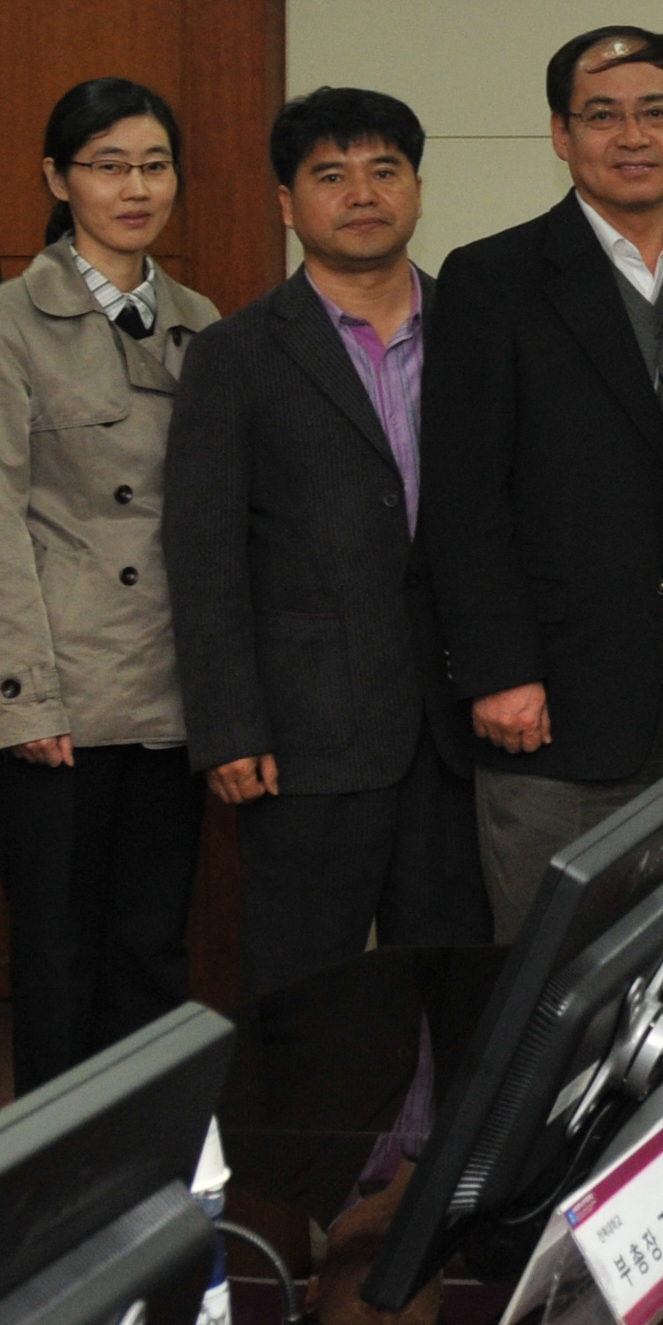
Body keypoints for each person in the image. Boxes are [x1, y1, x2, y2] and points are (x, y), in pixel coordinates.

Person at [424, 26, 663, 939]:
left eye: (656, 112)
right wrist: (499, 670)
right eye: (602, 116)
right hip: (552, 707)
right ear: (561, 136)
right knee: (553, 975)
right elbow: (462, 497)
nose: (632, 136)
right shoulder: (491, 279)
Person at [165, 89, 486, 1002]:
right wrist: (228, 725)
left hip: (460, 727)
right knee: (305, 993)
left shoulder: (479, 330)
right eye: (331, 176)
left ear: (417, 188)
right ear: (287, 202)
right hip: (304, 733)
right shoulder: (234, 355)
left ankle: (441, 1107)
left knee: (458, 981)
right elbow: (205, 552)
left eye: (385, 170)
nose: (362, 194)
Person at [0, 77, 221, 1095]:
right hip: (60, 694)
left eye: (154, 165)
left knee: (151, 951)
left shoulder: (199, 319)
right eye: (108, 166)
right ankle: (54, 1176)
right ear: (58, 180)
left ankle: (148, 1162)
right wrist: (25, 699)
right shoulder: (3, 321)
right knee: (59, 960)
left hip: (167, 692)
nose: (135, 188)